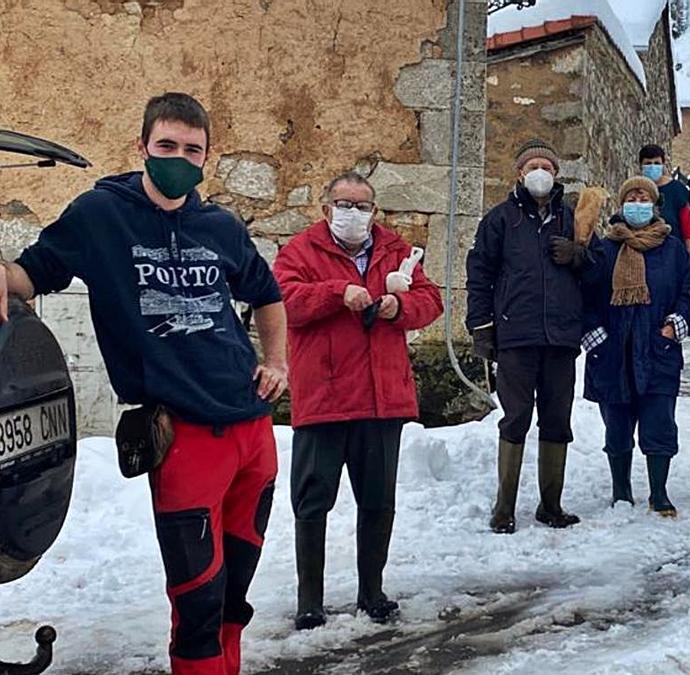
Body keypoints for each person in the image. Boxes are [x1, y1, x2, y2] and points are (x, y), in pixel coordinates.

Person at [0, 93, 286, 674]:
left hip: (253, 432)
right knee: (198, 603)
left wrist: (277, 362)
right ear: (143, 147)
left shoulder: (221, 226)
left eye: (191, 149)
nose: (178, 158)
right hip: (182, 438)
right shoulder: (100, 216)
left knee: (234, 600)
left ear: (206, 158)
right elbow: (27, 277)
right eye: (167, 146)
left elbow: (267, 293)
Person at [273, 172, 443, 629]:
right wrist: (337, 293)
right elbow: (284, 301)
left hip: (381, 398)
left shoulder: (397, 250)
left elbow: (431, 301)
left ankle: (373, 590)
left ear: (374, 212)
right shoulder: (300, 251)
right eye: (344, 204)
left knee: (377, 501)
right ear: (326, 209)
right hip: (324, 398)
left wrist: (399, 308)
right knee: (312, 502)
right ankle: (310, 598)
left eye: (362, 205)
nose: (353, 213)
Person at [466, 139, 589, 534]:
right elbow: (479, 274)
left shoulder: (572, 220)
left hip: (560, 338)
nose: (541, 172)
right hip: (515, 335)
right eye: (533, 165)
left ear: (556, 174)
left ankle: (550, 505)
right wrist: (481, 326)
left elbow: (598, 269)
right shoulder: (500, 220)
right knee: (515, 418)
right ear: (520, 173)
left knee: (557, 419)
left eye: (547, 166)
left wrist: (579, 255)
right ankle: (504, 507)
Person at [582, 176, 690, 517]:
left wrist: (675, 325)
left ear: (654, 203)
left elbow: (688, 291)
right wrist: (594, 333)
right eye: (631, 195)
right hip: (612, 350)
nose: (637, 201)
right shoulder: (604, 247)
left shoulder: (672, 248)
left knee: (659, 423)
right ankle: (621, 491)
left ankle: (659, 493)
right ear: (621, 204)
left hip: (657, 348)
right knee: (616, 426)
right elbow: (584, 293)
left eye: (643, 195)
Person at [638, 144, 690, 252]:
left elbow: (687, 228)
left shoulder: (677, 190)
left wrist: (689, 254)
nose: (652, 167)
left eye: (656, 163)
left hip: (672, 251)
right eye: (648, 163)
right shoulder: (635, 189)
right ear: (641, 166)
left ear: (663, 165)